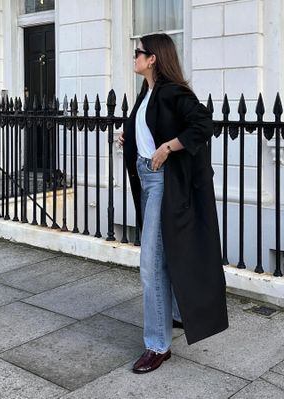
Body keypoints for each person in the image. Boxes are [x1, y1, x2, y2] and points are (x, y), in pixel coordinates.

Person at [118, 33, 228, 374]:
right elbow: (149, 128)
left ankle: (157, 346)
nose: (134, 56)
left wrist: (168, 148)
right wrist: (129, 136)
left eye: (138, 52)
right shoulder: (147, 93)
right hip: (146, 178)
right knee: (164, 255)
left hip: (163, 182)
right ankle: (176, 314)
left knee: (150, 263)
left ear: (153, 58)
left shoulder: (172, 92)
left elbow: (203, 124)